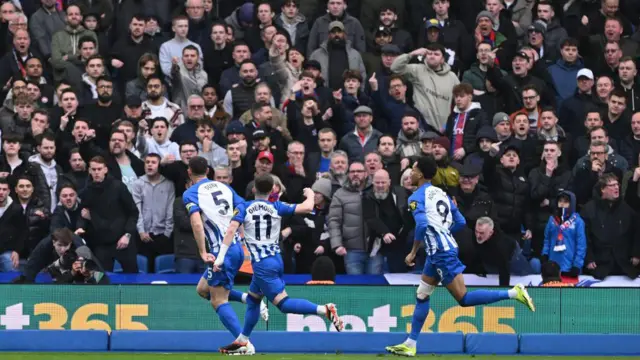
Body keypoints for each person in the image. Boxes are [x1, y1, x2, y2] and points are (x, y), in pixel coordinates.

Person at [385, 156, 535, 357]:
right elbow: (461, 221)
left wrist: (413, 252)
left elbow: (421, 225)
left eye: (413, 169)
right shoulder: (442, 193)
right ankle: (410, 343)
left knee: (463, 299)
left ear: (420, 174)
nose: (410, 173)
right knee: (422, 295)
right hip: (438, 251)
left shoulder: (415, 198)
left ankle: (514, 293)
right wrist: (443, 232)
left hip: (440, 253)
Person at [216, 173, 344, 354]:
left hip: (262, 264)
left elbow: (230, 231)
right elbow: (308, 208)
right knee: (253, 300)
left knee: (283, 304)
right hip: (276, 258)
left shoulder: (243, 207)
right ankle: (243, 340)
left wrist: (220, 257)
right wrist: (309, 194)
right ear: (271, 191)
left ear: (253, 189)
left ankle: (325, 310)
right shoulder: (277, 206)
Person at [183, 156, 268, 353]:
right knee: (203, 289)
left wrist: (203, 252)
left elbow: (196, 223)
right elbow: (243, 207)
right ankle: (250, 299)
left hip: (219, 251)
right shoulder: (224, 187)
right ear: (209, 171)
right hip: (236, 248)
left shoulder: (191, 193)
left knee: (218, 300)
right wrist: (235, 226)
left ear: (189, 172)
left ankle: (243, 343)